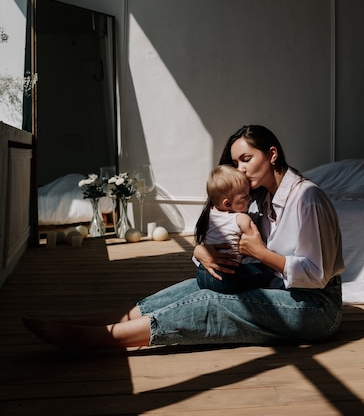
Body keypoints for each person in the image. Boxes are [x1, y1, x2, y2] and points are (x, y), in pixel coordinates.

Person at [23, 124, 345, 353]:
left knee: (215, 301)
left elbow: (316, 275)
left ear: (272, 154)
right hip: (277, 288)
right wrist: (201, 252)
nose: (239, 169)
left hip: (315, 308)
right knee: (203, 283)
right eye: (235, 162)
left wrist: (260, 253)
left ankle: (94, 340)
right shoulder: (258, 199)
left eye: (246, 159)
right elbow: (227, 238)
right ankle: (93, 324)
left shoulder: (307, 198)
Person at [195, 164, 273, 293]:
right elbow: (256, 243)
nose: (250, 198)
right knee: (265, 273)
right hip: (228, 276)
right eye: (245, 196)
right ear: (227, 203)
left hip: (203, 273)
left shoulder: (209, 214)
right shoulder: (242, 219)